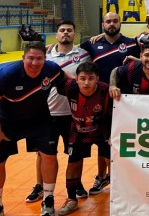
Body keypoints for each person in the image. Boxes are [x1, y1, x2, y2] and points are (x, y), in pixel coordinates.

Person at [0, 42, 67, 216]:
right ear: (23, 58)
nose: (35, 63)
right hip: (8, 122)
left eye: (39, 58)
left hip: (39, 120)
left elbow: (68, 80)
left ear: (45, 59)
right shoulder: (7, 74)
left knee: (50, 156)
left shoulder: (51, 69)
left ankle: (48, 199)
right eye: (30, 58)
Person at [25, 21, 90, 204]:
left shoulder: (84, 54)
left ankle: (76, 183)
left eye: (69, 30)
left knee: (76, 152)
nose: (66, 33)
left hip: (74, 113)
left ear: (74, 34)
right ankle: (39, 185)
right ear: (56, 34)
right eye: (62, 30)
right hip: (47, 113)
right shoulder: (45, 55)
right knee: (43, 154)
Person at [78, 12, 140, 191]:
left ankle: (126, 177)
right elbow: (69, 51)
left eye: (115, 21)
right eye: (108, 21)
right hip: (100, 100)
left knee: (127, 140)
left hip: (125, 101)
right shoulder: (92, 44)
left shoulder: (131, 44)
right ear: (102, 24)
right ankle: (102, 176)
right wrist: (52, 47)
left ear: (120, 23)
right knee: (102, 140)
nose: (111, 24)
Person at [54, 61, 112, 216]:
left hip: (103, 132)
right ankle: (71, 200)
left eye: (91, 78)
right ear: (76, 79)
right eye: (83, 78)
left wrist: (112, 134)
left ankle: (118, 199)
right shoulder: (69, 87)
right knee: (73, 164)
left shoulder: (106, 91)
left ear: (97, 79)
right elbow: (52, 74)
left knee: (112, 162)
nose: (87, 82)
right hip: (78, 132)